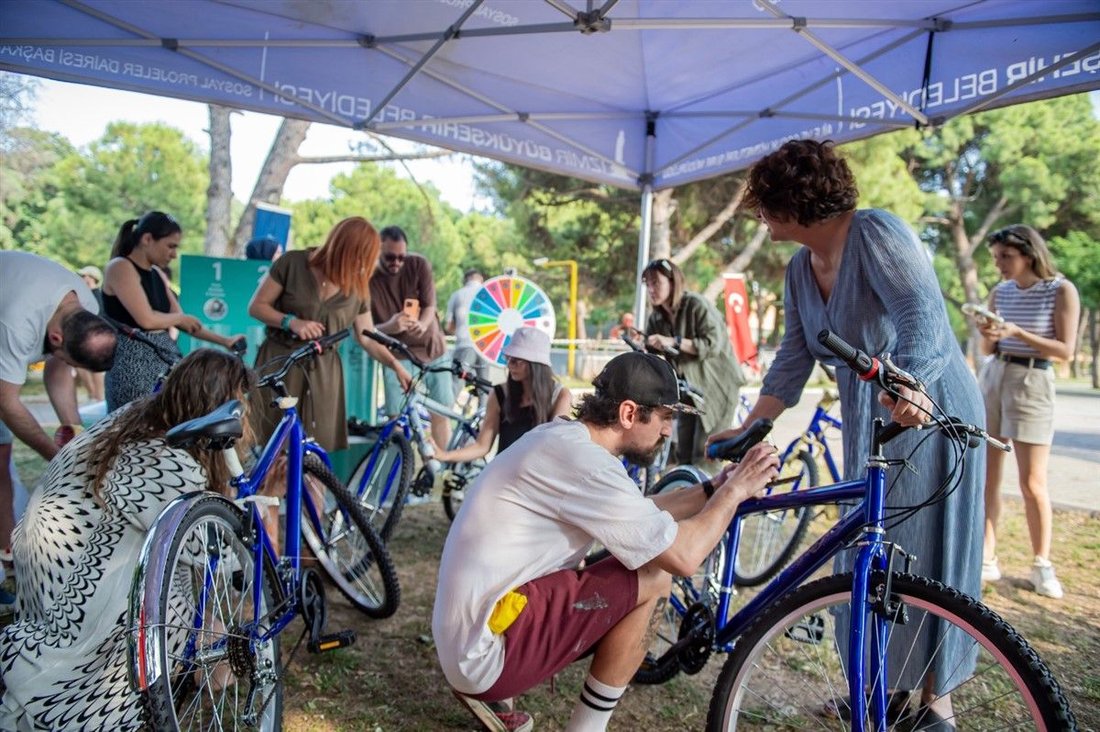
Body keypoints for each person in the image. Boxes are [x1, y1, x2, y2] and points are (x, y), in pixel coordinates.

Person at [709, 139, 985, 728]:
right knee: (871, 553)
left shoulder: (876, 233)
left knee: (924, 553)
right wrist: (755, 421)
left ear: (793, 201)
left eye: (764, 204)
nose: (759, 215)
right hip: (876, 416)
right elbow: (792, 358)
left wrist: (910, 386)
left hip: (929, 405)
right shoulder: (798, 269)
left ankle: (937, 706)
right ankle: (882, 691)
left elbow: (923, 317)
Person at [433, 351, 779, 732]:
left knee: (641, 556)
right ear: (629, 414)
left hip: (470, 636)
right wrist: (738, 492)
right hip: (483, 655)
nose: (668, 431)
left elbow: (636, 511)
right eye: (665, 417)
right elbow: (682, 557)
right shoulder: (588, 466)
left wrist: (716, 486)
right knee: (653, 573)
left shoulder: (563, 439)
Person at [0, 348, 254, 730]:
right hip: (81, 624)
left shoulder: (133, 419)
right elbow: (217, 550)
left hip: (42, 590)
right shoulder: (167, 461)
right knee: (214, 634)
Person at [975, 225, 1079, 599]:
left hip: (1033, 382)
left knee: (1032, 481)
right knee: (989, 475)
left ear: (1029, 254)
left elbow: (1065, 350)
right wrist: (988, 330)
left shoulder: (1060, 290)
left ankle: (1041, 563)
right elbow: (988, 348)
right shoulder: (999, 292)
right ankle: (988, 555)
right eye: (996, 257)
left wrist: (1016, 331)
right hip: (996, 376)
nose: (1000, 264)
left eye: (1006, 256)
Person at [248, 216, 412, 452]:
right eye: (363, 257)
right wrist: (290, 321)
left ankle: (311, 490)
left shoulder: (358, 286)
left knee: (315, 452)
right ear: (345, 250)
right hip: (281, 365)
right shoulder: (292, 263)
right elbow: (257, 306)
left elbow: (367, 336)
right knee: (270, 444)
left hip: (324, 374)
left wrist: (396, 365)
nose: (365, 266)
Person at [102, 211, 244, 412]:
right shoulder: (120, 267)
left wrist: (225, 341)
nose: (174, 254)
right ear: (147, 239)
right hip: (131, 366)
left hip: (164, 364)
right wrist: (179, 318)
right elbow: (147, 320)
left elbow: (185, 323)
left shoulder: (157, 274)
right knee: (134, 430)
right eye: (170, 246)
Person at [0, 251, 117, 462]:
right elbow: (6, 402)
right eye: (69, 361)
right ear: (55, 338)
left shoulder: (86, 306)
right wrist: (58, 460)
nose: (68, 366)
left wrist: (77, 438)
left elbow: (58, 374)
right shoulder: (17, 325)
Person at [642, 258, 746, 466]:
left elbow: (712, 344)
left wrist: (673, 342)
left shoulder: (696, 305)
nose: (651, 289)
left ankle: (712, 496)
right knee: (684, 455)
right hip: (689, 393)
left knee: (705, 454)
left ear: (673, 282)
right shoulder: (656, 319)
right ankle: (689, 493)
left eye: (656, 283)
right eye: (648, 284)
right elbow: (655, 356)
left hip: (718, 388)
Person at [432, 327, 572, 464]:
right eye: (508, 358)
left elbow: (556, 445)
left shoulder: (560, 395)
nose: (510, 365)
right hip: (503, 473)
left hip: (537, 475)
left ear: (536, 364)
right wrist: (444, 455)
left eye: (517, 360)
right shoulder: (500, 393)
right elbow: (482, 446)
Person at [370, 225, 453, 448]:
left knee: (441, 412)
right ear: (377, 250)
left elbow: (430, 305)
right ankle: (397, 470)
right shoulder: (367, 278)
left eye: (401, 257)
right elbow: (365, 329)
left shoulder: (418, 264)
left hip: (433, 348)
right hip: (396, 356)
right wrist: (390, 326)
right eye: (390, 257)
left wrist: (423, 324)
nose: (396, 262)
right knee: (395, 417)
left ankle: (441, 468)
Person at [444, 268, 488, 406]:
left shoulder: (458, 294)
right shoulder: (488, 294)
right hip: (486, 347)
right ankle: (483, 422)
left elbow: (449, 326)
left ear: (466, 279)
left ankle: (445, 421)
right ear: (481, 279)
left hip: (464, 345)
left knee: (456, 384)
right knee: (484, 388)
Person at [75, 265, 106, 402]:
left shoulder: (98, 296)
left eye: (84, 276)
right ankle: (93, 395)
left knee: (95, 368)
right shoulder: (83, 295)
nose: (81, 278)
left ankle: (98, 397)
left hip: (96, 336)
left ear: (91, 277)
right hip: (84, 335)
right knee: (80, 365)